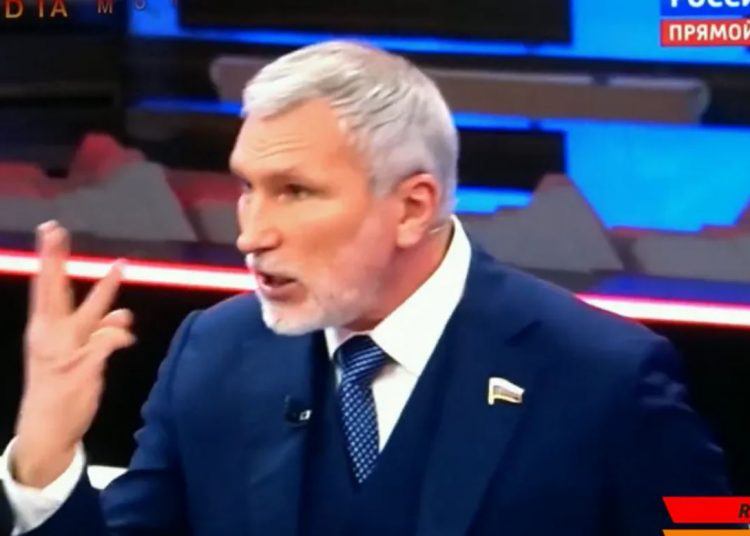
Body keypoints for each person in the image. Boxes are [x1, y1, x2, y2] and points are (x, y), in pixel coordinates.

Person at [0, 40, 736, 535]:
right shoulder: (213, 353)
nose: (251, 232)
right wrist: (44, 458)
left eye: (294, 191)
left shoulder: (604, 374)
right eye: (248, 187)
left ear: (412, 207)